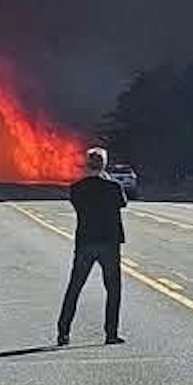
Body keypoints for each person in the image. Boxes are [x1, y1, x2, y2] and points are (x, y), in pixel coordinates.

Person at [57, 147, 129, 348]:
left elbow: (77, 206)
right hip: (109, 242)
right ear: (104, 164)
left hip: (86, 242)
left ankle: (63, 333)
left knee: (75, 287)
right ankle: (111, 333)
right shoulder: (113, 187)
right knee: (113, 289)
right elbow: (123, 203)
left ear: (87, 165)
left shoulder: (77, 188)